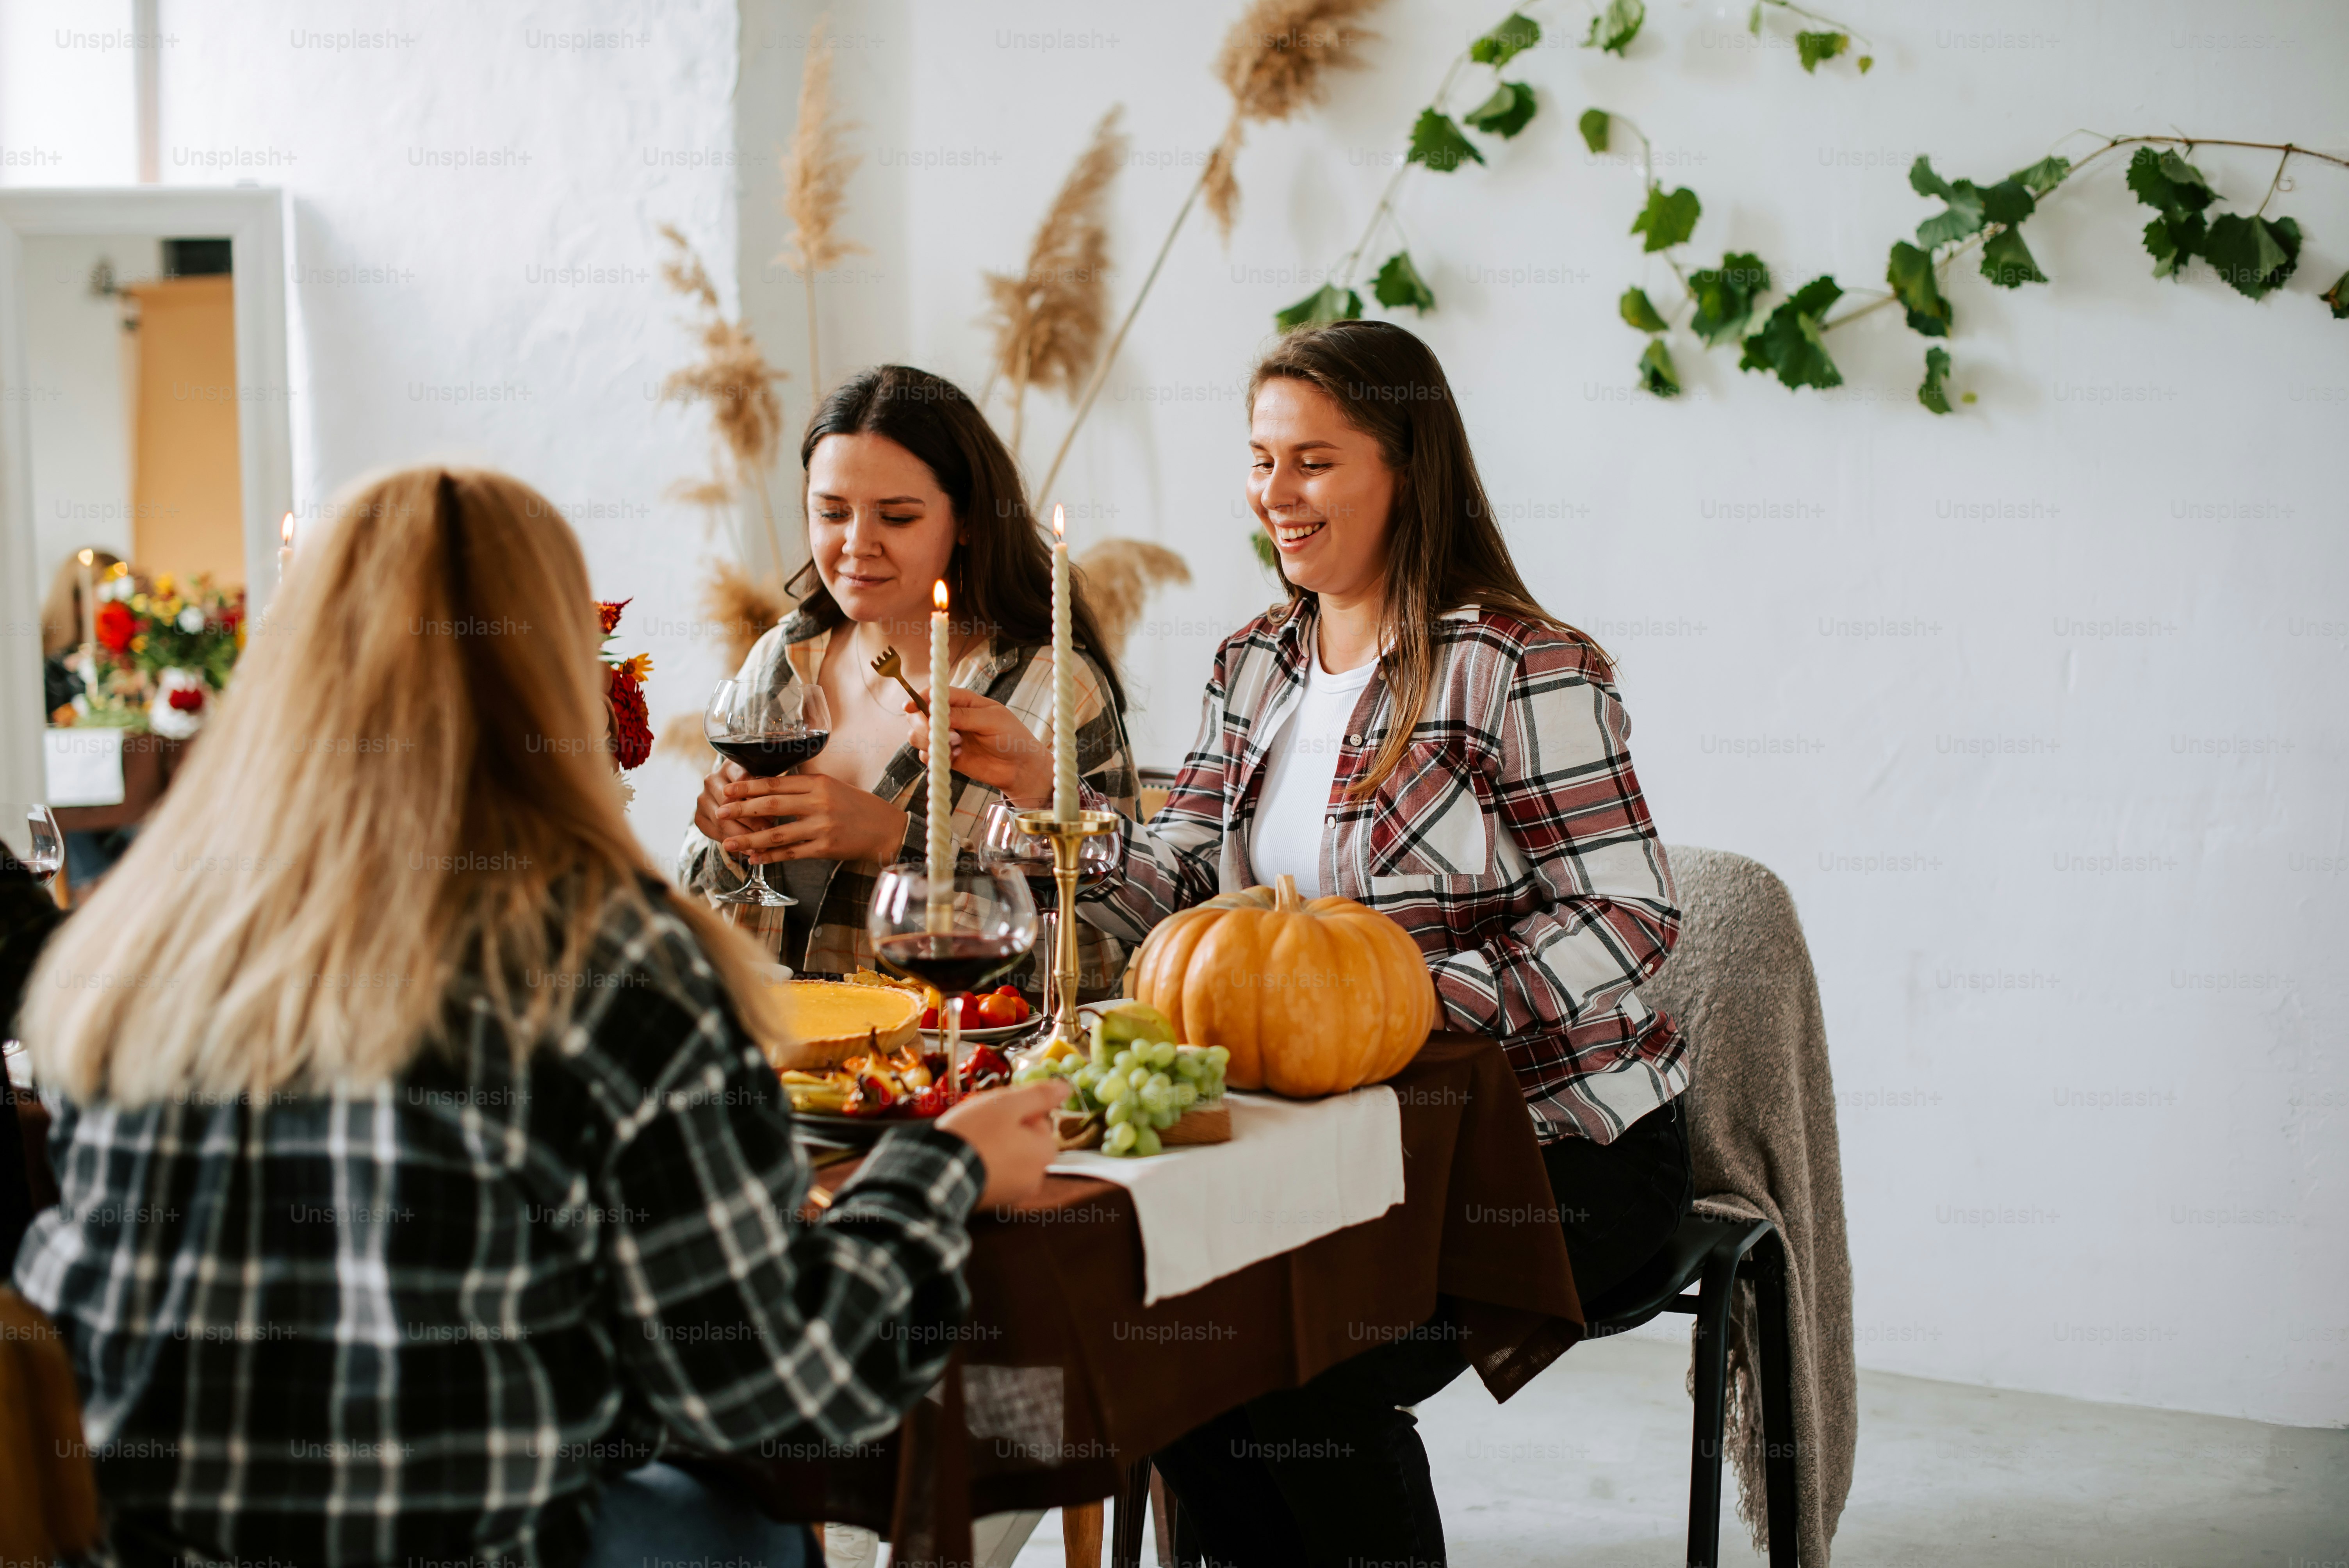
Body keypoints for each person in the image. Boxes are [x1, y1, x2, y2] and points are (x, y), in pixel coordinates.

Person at [12, 463, 1066, 1568]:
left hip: (134, 1544)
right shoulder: (604, 960)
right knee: (744, 1529)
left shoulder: (143, 939)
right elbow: (776, 1389)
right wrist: (940, 1174)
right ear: (558, 678)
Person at [916, 319, 1691, 1568]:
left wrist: (1409, 1000)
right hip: (1324, 1136)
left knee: (1302, 1372)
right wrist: (1056, 808)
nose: (1275, 494)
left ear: (1408, 469)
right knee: (1177, 1347)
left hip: (1551, 1149)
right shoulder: (1256, 662)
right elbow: (1176, 881)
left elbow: (1629, 912)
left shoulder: (1519, 665)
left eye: (1314, 462)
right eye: (1262, 459)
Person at [680, 365, 1139, 989]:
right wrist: (724, 845)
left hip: (949, 1078)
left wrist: (899, 843)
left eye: (896, 518)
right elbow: (696, 915)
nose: (856, 544)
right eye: (832, 513)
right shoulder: (782, 657)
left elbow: (1102, 962)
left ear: (970, 521)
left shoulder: (1053, 689)